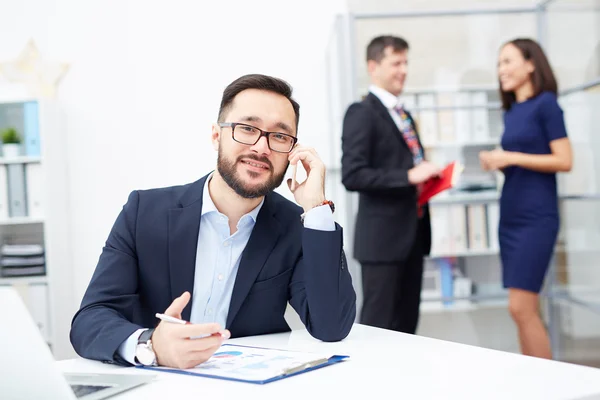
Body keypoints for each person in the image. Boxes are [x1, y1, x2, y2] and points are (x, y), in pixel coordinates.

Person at [70, 74, 357, 369]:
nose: (261, 147)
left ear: (292, 154)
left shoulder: (296, 226)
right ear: (216, 135)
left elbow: (331, 326)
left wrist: (316, 209)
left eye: (280, 136)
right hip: (156, 385)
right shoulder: (143, 212)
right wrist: (150, 345)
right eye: (247, 128)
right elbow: (90, 320)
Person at [479, 38, 572, 359]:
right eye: (499, 64)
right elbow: (520, 159)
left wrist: (512, 157)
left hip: (536, 216)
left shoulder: (546, 105)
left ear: (531, 64)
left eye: (508, 61)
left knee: (521, 308)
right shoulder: (514, 111)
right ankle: (534, 382)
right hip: (512, 215)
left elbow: (564, 160)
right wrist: (498, 161)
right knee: (520, 310)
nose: (501, 70)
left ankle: (549, 387)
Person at [341, 36, 440, 334]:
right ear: (373, 67)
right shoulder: (361, 112)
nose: (403, 70)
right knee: (378, 328)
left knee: (407, 327)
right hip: (382, 242)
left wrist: (428, 178)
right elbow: (353, 175)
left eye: (406, 62)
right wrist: (409, 176)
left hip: (413, 236)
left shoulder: (403, 114)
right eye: (396, 63)